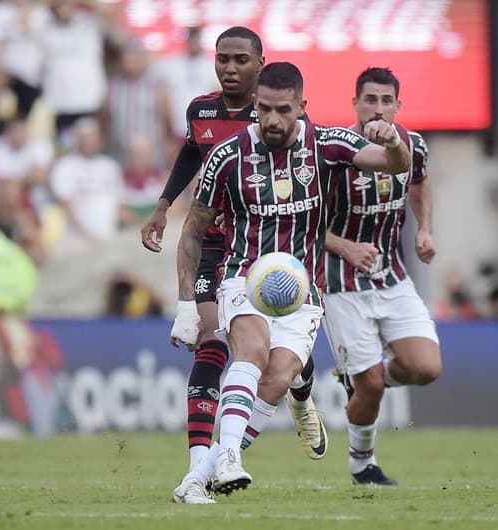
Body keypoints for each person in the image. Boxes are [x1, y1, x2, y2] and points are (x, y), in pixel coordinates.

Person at [171, 61, 411, 503]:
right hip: (243, 275)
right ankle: (228, 462)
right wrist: (187, 303)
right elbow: (192, 231)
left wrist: (393, 140)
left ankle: (198, 478)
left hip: (302, 290)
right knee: (253, 350)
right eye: (263, 109)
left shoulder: (326, 144)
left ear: (302, 106)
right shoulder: (228, 155)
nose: (272, 120)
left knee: (279, 377)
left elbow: (397, 166)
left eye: (283, 110)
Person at [140, 27, 325, 476]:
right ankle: (202, 463)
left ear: (261, 64)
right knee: (212, 341)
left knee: (277, 354)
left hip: (267, 248)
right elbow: (190, 153)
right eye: (222, 58)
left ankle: (300, 389)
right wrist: (163, 207)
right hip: (216, 245)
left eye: (240, 59)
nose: (229, 67)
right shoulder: (201, 110)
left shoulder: (279, 123)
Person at [324, 67, 442, 485]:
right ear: (354, 103)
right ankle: (363, 465)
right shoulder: (331, 151)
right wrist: (346, 247)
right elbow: (299, 221)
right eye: (369, 100)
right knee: (371, 386)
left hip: (390, 276)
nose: (377, 108)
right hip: (339, 283)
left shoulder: (410, 144)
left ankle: (357, 380)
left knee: (426, 367)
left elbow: (420, 180)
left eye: (385, 101)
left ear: (398, 105)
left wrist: (424, 228)